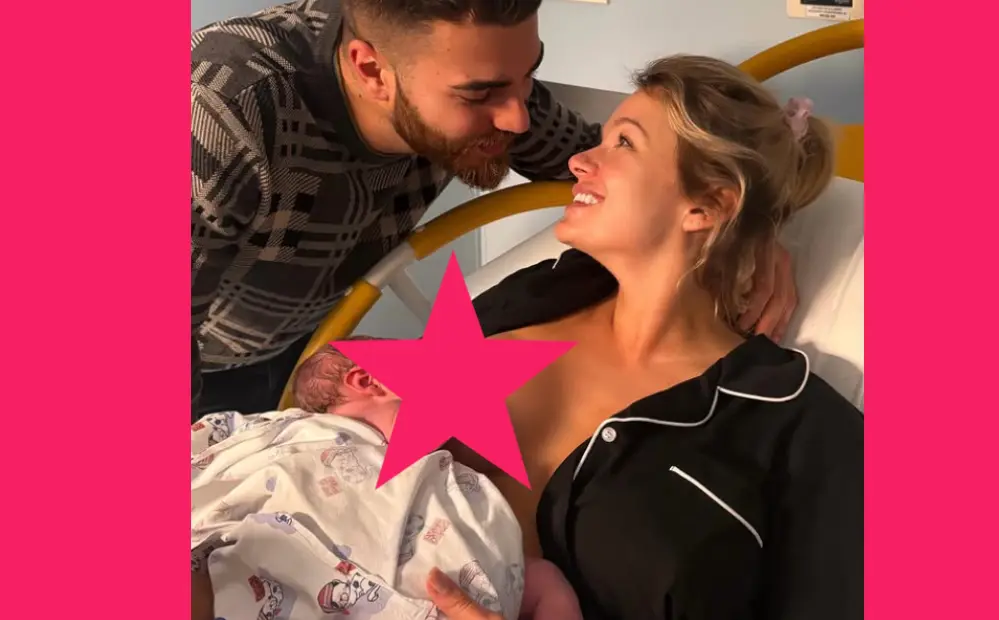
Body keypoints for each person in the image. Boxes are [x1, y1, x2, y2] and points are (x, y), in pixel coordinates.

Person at [190, 0, 800, 421]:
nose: (516, 119)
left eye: (526, 76)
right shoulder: (217, 113)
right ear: (371, 70)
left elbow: (618, 170)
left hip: (301, 336)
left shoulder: (475, 75)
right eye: (479, 94)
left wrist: (746, 225)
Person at [422, 55, 865, 619]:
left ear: (707, 204)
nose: (580, 160)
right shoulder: (525, 298)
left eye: (624, 143)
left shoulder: (799, 435)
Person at [189, 342, 584, 620]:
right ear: (368, 381)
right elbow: (216, 445)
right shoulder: (299, 433)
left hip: (460, 591)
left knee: (544, 578)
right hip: (278, 577)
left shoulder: (444, 473)